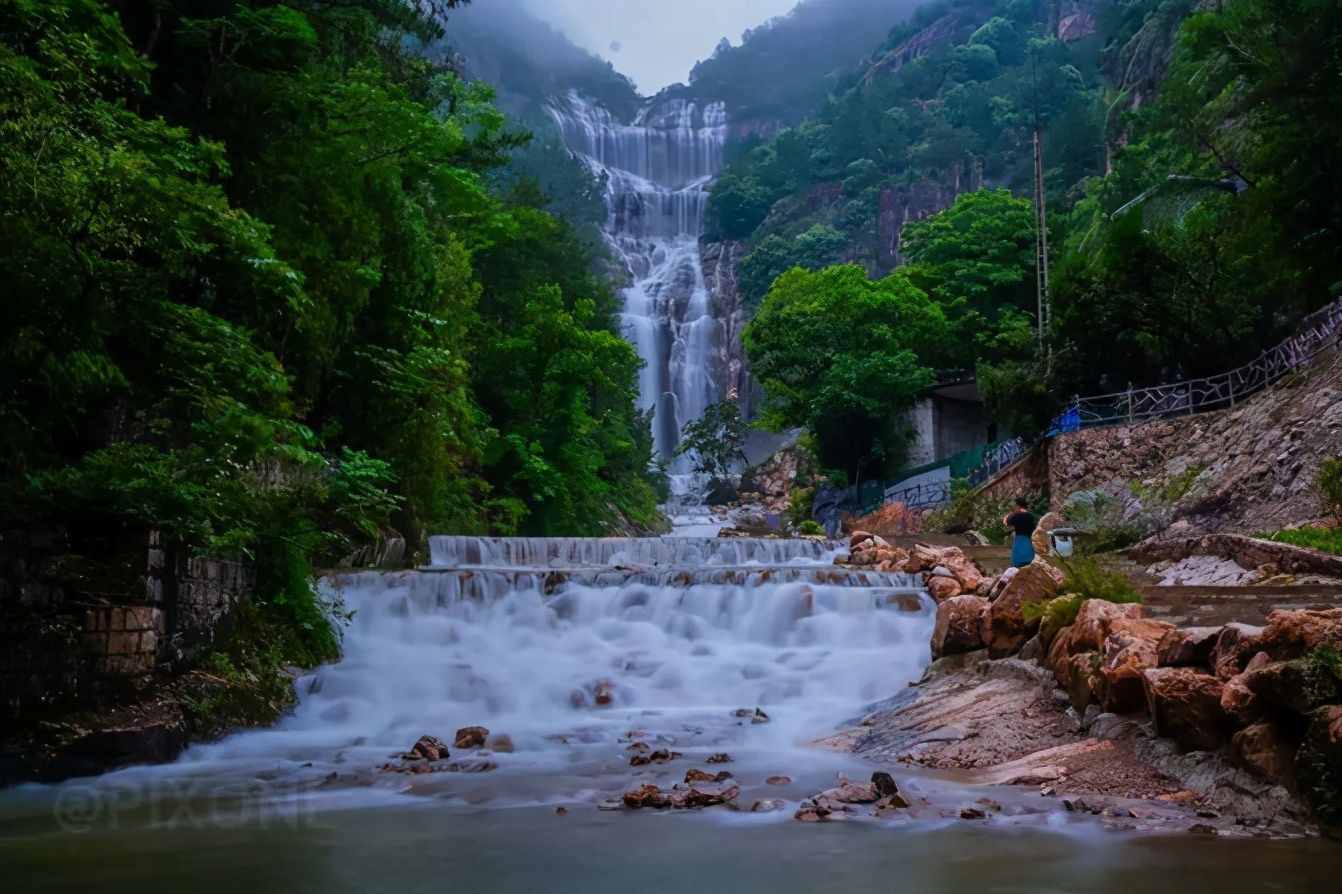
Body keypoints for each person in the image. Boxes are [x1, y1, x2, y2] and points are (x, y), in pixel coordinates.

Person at [1003, 497, 1037, 568]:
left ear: (1017, 505)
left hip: (1019, 541)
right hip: (1029, 542)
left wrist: (1006, 517)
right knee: (1029, 565)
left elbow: (1007, 524)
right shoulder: (1031, 516)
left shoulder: (1015, 515)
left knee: (1018, 565)